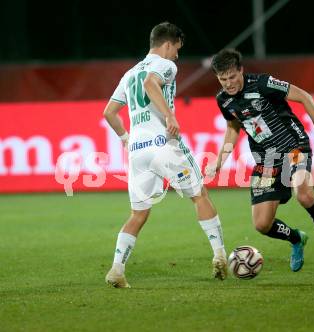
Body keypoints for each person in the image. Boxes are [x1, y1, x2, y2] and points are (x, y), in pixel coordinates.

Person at [103, 22, 227, 288]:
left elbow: (109, 113)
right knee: (199, 195)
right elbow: (151, 83)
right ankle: (219, 255)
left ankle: (117, 269)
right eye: (177, 49)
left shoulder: (129, 73)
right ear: (168, 44)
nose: (177, 56)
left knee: (138, 214)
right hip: (163, 144)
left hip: (137, 151)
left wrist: (126, 139)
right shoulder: (166, 66)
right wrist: (170, 115)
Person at [206, 49, 314, 276]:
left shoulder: (263, 83)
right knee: (262, 225)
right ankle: (296, 238)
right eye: (223, 79)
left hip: (293, 147)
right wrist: (219, 161)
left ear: (241, 70)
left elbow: (304, 96)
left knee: (305, 195)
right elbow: (233, 129)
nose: (229, 84)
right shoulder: (223, 100)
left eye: (232, 77)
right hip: (266, 159)